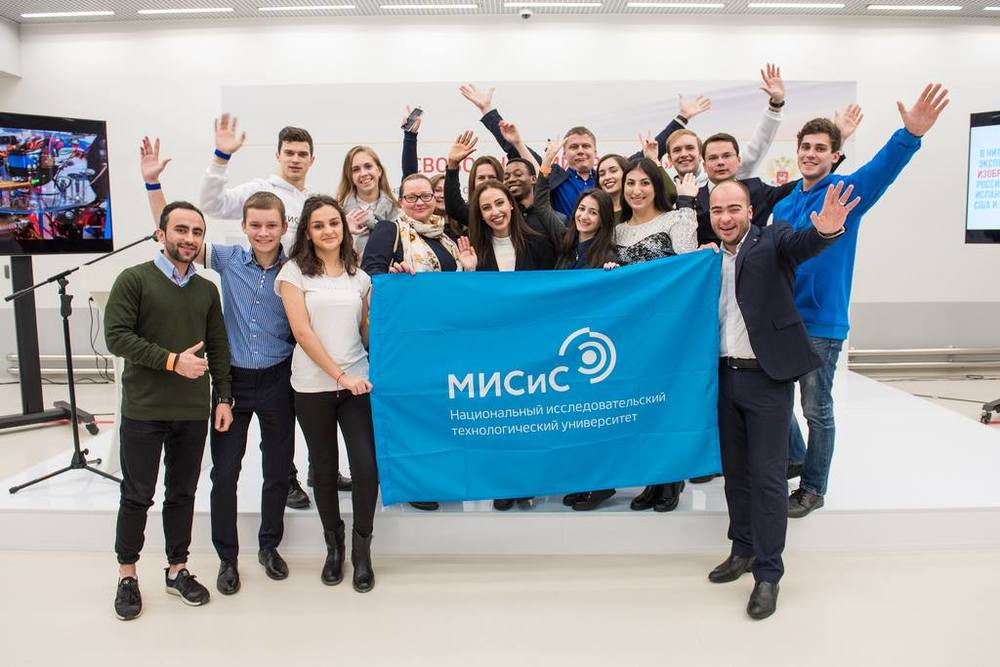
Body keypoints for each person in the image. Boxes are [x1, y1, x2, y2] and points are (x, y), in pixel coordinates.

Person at [776, 83, 949, 518]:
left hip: (822, 323)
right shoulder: (786, 202)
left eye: (821, 148)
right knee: (775, 399)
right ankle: (795, 457)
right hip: (784, 321)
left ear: (835, 155)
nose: (811, 153)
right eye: (806, 147)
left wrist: (909, 135)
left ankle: (813, 488)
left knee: (816, 409)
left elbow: (882, 169)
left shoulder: (844, 192)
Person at [139, 138, 298, 594]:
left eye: (271, 225)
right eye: (256, 225)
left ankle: (269, 546)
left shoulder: (295, 267)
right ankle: (228, 557)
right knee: (224, 474)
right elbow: (172, 232)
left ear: (284, 227)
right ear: (243, 226)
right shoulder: (227, 260)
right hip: (233, 385)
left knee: (277, 472)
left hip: (279, 381)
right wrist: (152, 184)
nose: (263, 233)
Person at [705, 178, 858, 620]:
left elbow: (803, 245)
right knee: (736, 475)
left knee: (769, 479)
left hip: (766, 381)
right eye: (717, 211)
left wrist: (827, 230)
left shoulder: (774, 240)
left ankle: (768, 573)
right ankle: (743, 549)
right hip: (724, 378)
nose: (726, 218)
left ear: (750, 211)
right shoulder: (708, 259)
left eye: (734, 209)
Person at [105, 200, 232, 621]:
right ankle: (127, 574)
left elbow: (218, 347)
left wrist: (223, 397)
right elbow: (117, 337)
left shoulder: (207, 289)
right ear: (161, 234)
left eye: (197, 232)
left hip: (191, 412)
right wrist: (172, 361)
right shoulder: (134, 279)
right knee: (137, 495)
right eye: (181, 230)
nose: (189, 239)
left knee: (182, 494)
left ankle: (177, 569)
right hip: (144, 409)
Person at [196, 114, 327, 509]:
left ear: (312, 159)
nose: (295, 159)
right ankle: (286, 479)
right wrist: (220, 157)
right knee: (274, 422)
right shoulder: (259, 190)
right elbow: (211, 203)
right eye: (289, 152)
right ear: (278, 155)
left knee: (302, 408)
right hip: (263, 311)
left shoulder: (313, 200)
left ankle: (315, 470)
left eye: (302, 154)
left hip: (302, 308)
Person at [276, 195, 380, 593]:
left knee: (366, 468)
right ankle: (333, 547)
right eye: (318, 225)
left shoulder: (360, 277)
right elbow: (302, 332)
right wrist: (340, 376)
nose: (328, 231)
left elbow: (364, 333)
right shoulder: (293, 273)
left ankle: (361, 550)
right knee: (323, 469)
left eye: (333, 223)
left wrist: (378, 313)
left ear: (344, 227)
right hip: (314, 386)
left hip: (358, 384)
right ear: (307, 231)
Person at [362, 173, 477, 512]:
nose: (419, 203)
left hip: (445, 340)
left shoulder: (448, 236)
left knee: (440, 410)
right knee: (411, 413)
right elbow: (370, 275)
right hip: (407, 341)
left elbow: (456, 292)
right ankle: (415, 482)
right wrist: (395, 280)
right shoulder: (389, 231)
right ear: (401, 201)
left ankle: (442, 476)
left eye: (425, 196)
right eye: (411, 197)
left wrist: (468, 269)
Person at [460, 82, 711, 218]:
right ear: (565, 153)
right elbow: (516, 147)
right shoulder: (556, 176)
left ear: (595, 151)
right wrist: (488, 111)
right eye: (573, 147)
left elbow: (652, 150)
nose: (580, 151)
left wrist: (682, 118)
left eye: (585, 146)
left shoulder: (611, 173)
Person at [613, 157, 698, 511]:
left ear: (657, 186)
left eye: (644, 183)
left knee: (667, 405)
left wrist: (687, 205)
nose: (637, 190)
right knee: (640, 406)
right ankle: (652, 477)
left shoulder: (675, 219)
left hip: (668, 329)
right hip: (631, 334)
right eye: (630, 183)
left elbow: (688, 262)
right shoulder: (616, 230)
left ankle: (671, 478)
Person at [466, 179, 556, 510]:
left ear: (511, 205)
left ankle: (528, 480)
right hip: (494, 348)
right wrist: (468, 271)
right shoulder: (474, 250)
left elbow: (553, 294)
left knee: (530, 416)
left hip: (534, 346)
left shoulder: (539, 242)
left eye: (499, 203)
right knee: (498, 417)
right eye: (486, 207)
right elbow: (470, 303)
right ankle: (503, 483)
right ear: (479, 214)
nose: (495, 212)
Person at [691, 105, 863, 246]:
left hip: (756, 274)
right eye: (713, 158)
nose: (720, 162)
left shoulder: (757, 189)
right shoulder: (691, 199)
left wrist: (838, 141)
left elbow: (808, 181)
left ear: (739, 160)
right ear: (704, 165)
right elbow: (682, 247)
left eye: (727, 156)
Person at [666, 64, 787, 188]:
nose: (684, 154)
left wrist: (775, 106)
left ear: (701, 156)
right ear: (669, 158)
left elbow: (757, 147)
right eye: (677, 150)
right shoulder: (663, 192)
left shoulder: (720, 176)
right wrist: (682, 118)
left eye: (690, 148)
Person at [337, 145, 400, 256]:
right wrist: (344, 230)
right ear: (350, 176)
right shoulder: (339, 213)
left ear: (379, 171)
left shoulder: (397, 210)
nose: (363, 173)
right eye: (356, 170)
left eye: (368, 166)